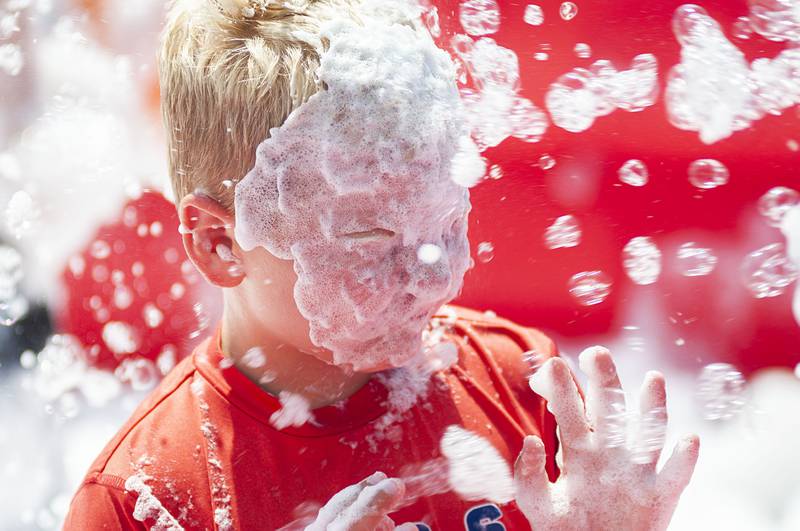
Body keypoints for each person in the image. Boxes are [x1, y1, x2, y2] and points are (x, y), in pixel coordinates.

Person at [63, 0, 699, 529]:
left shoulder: (521, 388)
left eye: (447, 222)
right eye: (369, 240)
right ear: (219, 244)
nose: (431, 277)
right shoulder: (146, 498)